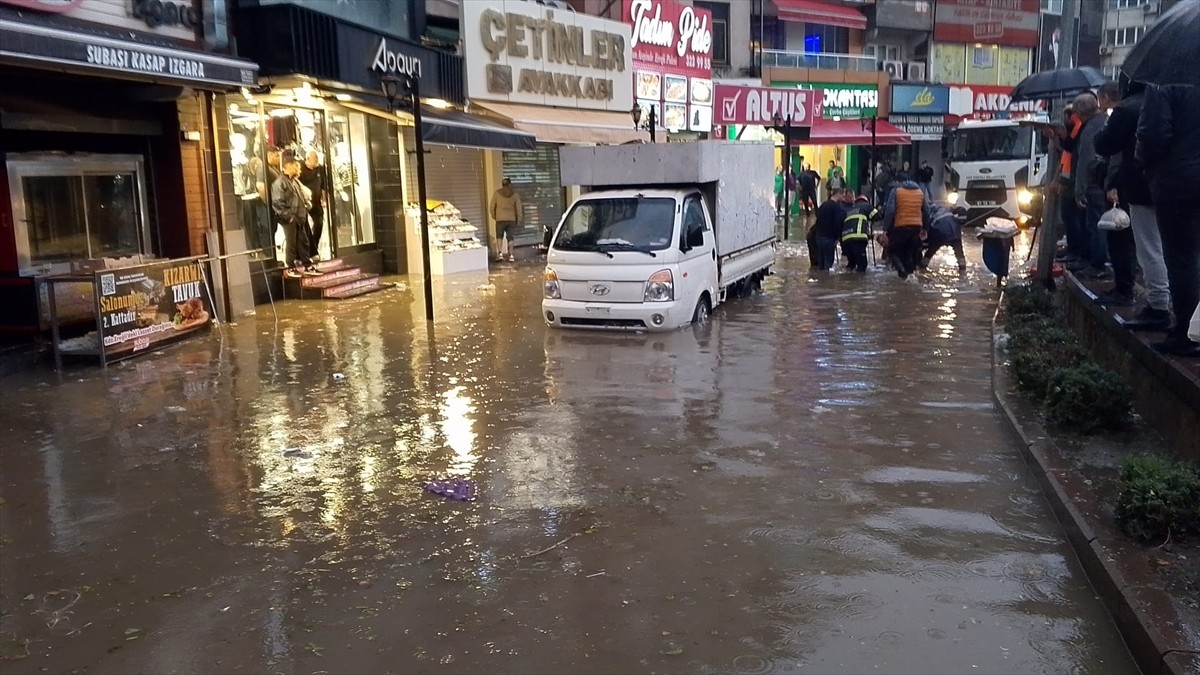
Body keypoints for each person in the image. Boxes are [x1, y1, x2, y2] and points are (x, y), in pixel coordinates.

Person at [1095, 80, 1167, 321]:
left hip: (1140, 187)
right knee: (1173, 250)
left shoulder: (1127, 110)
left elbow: (1105, 145)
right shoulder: (1167, 103)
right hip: (1173, 186)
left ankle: (1159, 306)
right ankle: (1175, 308)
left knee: (1147, 248)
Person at [1137, 82, 1200, 356]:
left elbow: (1152, 134)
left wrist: (1145, 163)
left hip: (1179, 181)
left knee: (1182, 258)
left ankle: (1187, 332)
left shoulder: (1165, 83)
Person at [1071, 92, 1112, 280]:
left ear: (1080, 113)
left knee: (1096, 225)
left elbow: (1085, 162)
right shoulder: (1107, 121)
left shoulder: (1090, 130)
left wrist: (1080, 190)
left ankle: (1098, 264)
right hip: (1108, 182)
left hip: (1095, 184)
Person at [880, 176, 931, 279]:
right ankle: (911, 276)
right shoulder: (920, 192)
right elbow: (927, 211)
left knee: (893, 250)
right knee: (910, 251)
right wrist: (925, 228)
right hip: (916, 227)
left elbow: (890, 211)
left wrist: (885, 229)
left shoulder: (896, 191)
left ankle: (902, 273)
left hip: (901, 226)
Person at [271, 157, 312, 277]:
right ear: (287, 166)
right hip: (291, 218)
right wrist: (289, 216)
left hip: (299, 217)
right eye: (294, 165)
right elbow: (277, 202)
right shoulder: (280, 182)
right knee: (291, 243)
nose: (297, 168)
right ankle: (290, 266)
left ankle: (307, 264)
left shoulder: (293, 181)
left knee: (303, 241)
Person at [299, 151, 329, 260]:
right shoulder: (301, 168)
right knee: (304, 226)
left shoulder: (320, 169)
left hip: (316, 202)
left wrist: (324, 200)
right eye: (314, 158)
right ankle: (309, 251)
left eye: (317, 158)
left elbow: (323, 186)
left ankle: (314, 246)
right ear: (307, 159)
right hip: (305, 202)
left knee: (319, 224)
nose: (316, 160)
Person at [921, 204, 967, 272]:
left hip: (939, 233)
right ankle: (963, 269)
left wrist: (925, 243)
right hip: (955, 232)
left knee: (930, 251)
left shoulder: (930, 213)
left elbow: (927, 230)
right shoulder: (949, 210)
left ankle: (922, 267)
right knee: (959, 253)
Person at [812, 188, 848, 271]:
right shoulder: (837, 208)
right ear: (838, 194)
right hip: (829, 238)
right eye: (842, 196)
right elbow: (837, 224)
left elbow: (817, 221)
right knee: (828, 264)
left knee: (821, 263)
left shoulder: (823, 205)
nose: (843, 198)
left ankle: (821, 280)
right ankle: (826, 281)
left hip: (819, 237)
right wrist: (837, 238)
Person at [841, 195, 877, 273]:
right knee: (862, 265)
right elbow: (877, 216)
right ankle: (859, 283)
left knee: (851, 264)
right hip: (857, 239)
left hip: (846, 240)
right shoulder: (866, 206)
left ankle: (847, 280)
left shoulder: (850, 210)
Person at [490, 177, 523, 262]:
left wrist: (494, 216)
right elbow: (518, 208)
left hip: (500, 219)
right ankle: (511, 255)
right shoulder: (515, 195)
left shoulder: (496, 194)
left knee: (499, 236)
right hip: (511, 219)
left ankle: (500, 253)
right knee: (510, 237)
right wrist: (518, 218)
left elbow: (492, 207)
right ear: (510, 184)